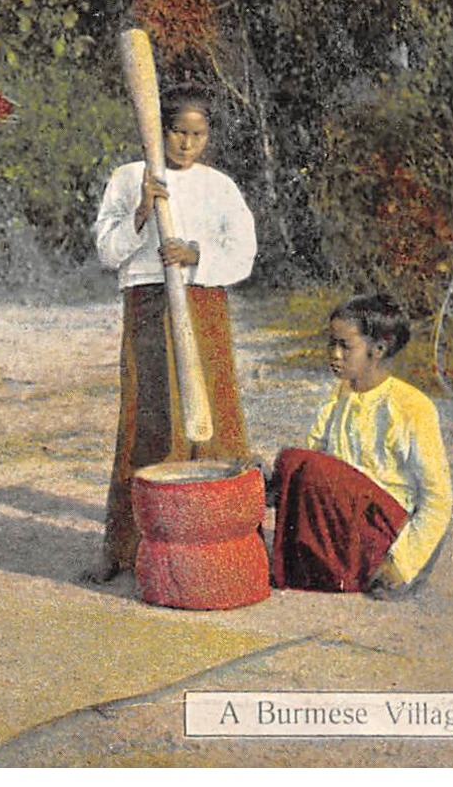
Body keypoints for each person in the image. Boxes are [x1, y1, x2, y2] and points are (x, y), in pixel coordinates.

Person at [91, 90, 257, 581]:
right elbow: (107, 251)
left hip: (202, 306)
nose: (187, 143)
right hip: (147, 304)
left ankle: (224, 538)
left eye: (197, 134)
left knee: (213, 411)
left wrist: (196, 254)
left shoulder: (219, 185)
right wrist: (143, 211)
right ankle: (127, 546)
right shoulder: (128, 177)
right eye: (177, 132)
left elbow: (243, 251)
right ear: (158, 130)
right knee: (148, 412)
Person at [270, 294, 453, 596]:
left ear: (378, 349)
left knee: (303, 464)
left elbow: (438, 499)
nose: (334, 355)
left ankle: (352, 570)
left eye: (345, 346)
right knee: (293, 463)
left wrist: (402, 563)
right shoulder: (338, 397)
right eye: (332, 343)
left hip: (383, 532)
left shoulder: (410, 406)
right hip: (345, 521)